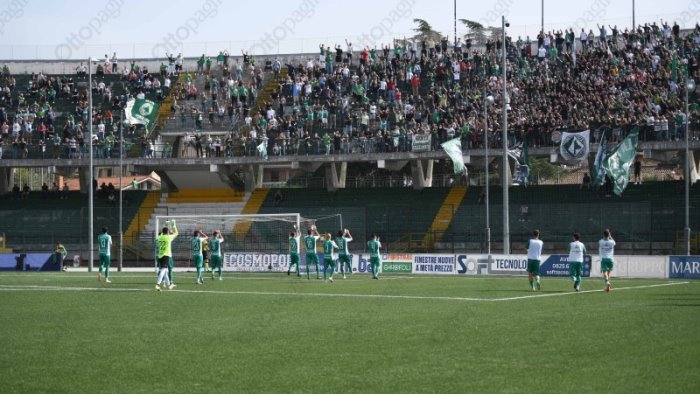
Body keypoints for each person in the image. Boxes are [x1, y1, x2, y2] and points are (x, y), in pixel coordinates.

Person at [155, 220, 178, 291]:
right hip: (166, 255)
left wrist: (166, 225)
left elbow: (162, 233)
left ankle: (169, 285)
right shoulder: (169, 237)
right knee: (163, 270)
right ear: (167, 232)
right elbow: (176, 233)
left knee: (165, 271)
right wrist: (174, 225)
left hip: (160, 255)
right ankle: (158, 284)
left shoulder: (159, 237)